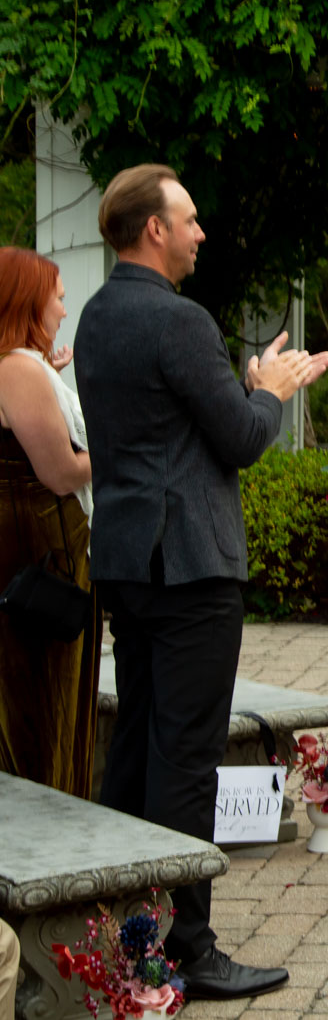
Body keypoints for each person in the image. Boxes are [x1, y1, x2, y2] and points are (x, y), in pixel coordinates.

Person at [75, 165, 328, 1001]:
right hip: (188, 563)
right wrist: (269, 390)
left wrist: (247, 385)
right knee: (185, 759)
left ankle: (113, 926)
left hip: (126, 560)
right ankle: (183, 948)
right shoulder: (179, 320)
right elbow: (240, 437)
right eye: (188, 220)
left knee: (135, 749)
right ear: (153, 228)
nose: (199, 233)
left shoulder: (98, 313)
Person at [0, 247, 99, 798]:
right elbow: (61, 473)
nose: (64, 310)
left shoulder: (20, 366)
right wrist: (123, 447)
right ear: (29, 302)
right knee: (41, 705)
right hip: (39, 555)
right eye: (57, 298)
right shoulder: (17, 366)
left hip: (34, 547)